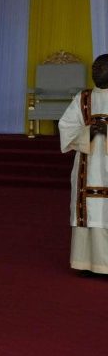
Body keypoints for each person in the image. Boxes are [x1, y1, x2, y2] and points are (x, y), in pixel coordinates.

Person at [59, 53, 108, 275]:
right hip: (87, 167)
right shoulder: (83, 98)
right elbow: (66, 126)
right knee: (89, 211)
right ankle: (87, 263)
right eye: (95, 67)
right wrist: (89, 131)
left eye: (101, 67)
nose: (96, 71)